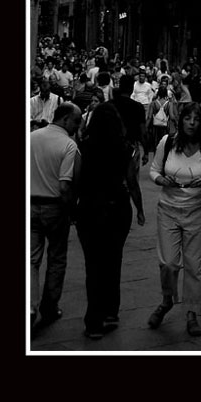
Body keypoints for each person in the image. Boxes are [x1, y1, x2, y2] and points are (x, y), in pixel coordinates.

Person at [148, 102, 201, 337]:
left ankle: (192, 313)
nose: (191, 123)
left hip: (197, 212)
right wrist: (161, 181)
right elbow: (154, 170)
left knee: (195, 267)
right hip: (168, 209)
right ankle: (167, 299)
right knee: (168, 262)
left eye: (196, 119)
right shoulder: (167, 143)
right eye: (187, 118)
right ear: (181, 121)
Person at [75, 101, 145, 339]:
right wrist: (140, 209)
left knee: (93, 265)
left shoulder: (82, 147)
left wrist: (72, 209)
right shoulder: (124, 149)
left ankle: (93, 321)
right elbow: (132, 182)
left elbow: (75, 180)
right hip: (116, 207)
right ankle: (110, 311)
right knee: (113, 261)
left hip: (89, 208)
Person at [30, 102, 82, 329]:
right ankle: (49, 307)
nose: (78, 125)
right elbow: (64, 186)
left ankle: (30, 306)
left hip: (30, 204)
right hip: (54, 207)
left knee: (31, 260)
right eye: (76, 121)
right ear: (66, 119)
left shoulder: (31, 137)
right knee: (57, 257)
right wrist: (72, 210)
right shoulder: (69, 146)